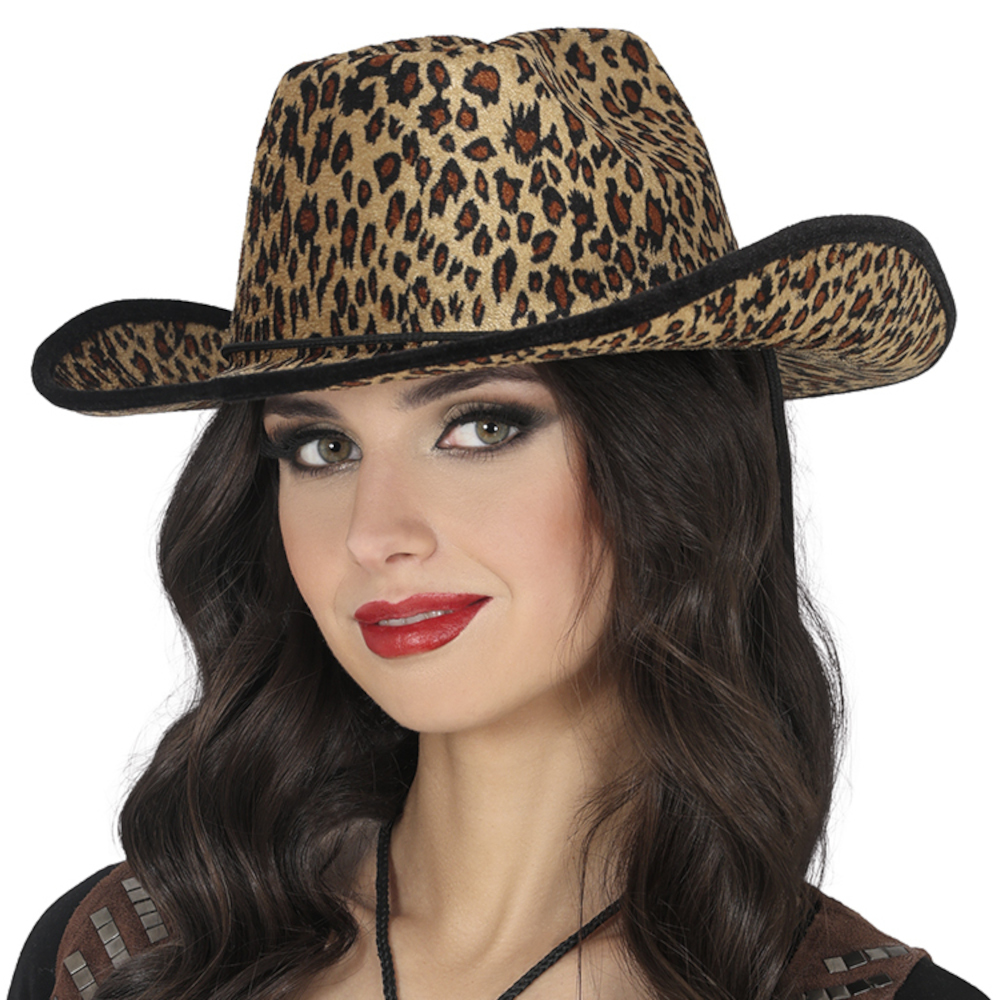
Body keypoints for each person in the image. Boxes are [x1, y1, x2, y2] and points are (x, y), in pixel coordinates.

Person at [9, 26, 989, 1000]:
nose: (374, 533)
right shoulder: (124, 957)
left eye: (479, 426)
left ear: (672, 462)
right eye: (321, 447)